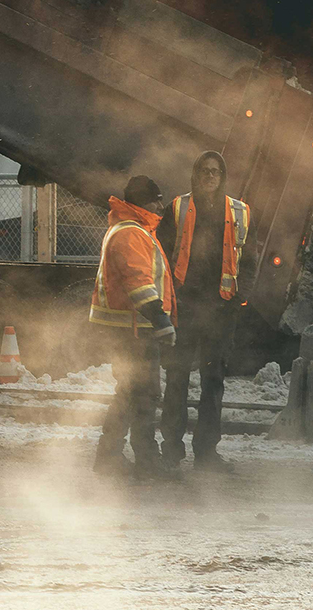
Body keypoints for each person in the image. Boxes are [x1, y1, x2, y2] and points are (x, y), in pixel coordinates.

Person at [156, 151, 251, 471]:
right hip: (185, 306)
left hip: (220, 309)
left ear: (222, 176)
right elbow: (163, 255)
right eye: (205, 171)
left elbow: (247, 258)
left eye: (216, 171)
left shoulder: (239, 211)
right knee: (177, 377)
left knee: (213, 380)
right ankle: (171, 448)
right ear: (196, 174)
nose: (210, 176)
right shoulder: (178, 207)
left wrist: (240, 298)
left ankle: (206, 452)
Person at [88, 174, 177, 480]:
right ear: (145, 202)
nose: (162, 205)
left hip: (132, 328)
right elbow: (139, 282)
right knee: (138, 394)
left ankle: (117, 457)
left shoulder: (131, 230)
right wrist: (160, 318)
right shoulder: (132, 233)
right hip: (134, 330)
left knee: (135, 393)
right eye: (157, 199)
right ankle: (136, 460)